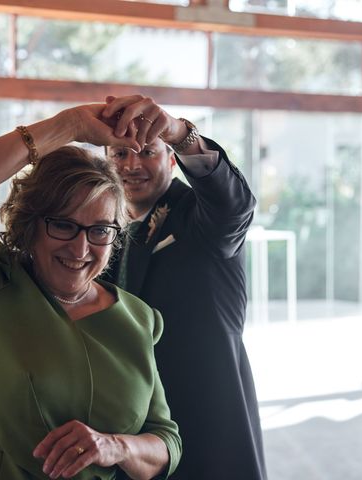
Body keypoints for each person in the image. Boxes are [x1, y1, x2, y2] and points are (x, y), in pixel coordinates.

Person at [0, 102, 182, 480]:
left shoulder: (139, 318)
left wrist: (115, 445)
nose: (80, 250)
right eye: (64, 225)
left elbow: (166, 443)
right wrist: (71, 124)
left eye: (99, 230)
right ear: (31, 223)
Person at [101, 95, 266, 479]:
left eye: (147, 152)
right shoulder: (100, 231)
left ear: (172, 158)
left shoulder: (202, 216)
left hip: (203, 414)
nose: (131, 165)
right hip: (128, 425)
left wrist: (180, 133)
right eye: (120, 154)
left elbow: (234, 206)